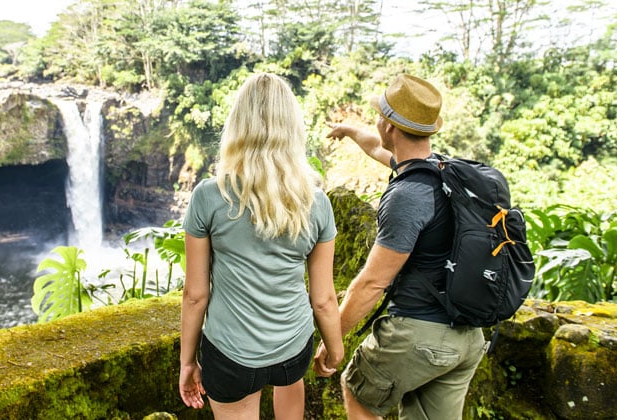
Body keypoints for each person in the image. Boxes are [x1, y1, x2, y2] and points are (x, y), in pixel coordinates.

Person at [314, 74, 487, 419]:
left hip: (420, 333)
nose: (376, 122)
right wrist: (348, 130)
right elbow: (375, 147)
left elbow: (372, 284)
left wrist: (333, 342)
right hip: (469, 337)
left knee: (358, 388)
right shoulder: (445, 173)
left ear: (389, 125)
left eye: (380, 115)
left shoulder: (407, 196)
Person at [178, 72, 344, 420]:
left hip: (231, 354)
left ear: (237, 125)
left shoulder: (209, 196)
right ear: (292, 128)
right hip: (293, 349)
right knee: (289, 384)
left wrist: (188, 361)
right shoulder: (315, 202)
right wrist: (335, 350)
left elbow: (195, 294)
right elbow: (324, 299)